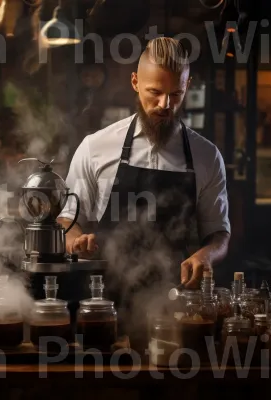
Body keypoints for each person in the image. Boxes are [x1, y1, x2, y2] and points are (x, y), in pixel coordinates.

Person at [58, 37, 230, 294]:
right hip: (103, 300)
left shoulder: (206, 156)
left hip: (173, 299)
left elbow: (219, 234)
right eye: (155, 92)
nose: (165, 105)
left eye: (175, 94)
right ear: (135, 83)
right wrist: (75, 243)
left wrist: (206, 255)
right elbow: (67, 221)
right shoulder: (95, 147)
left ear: (188, 86)